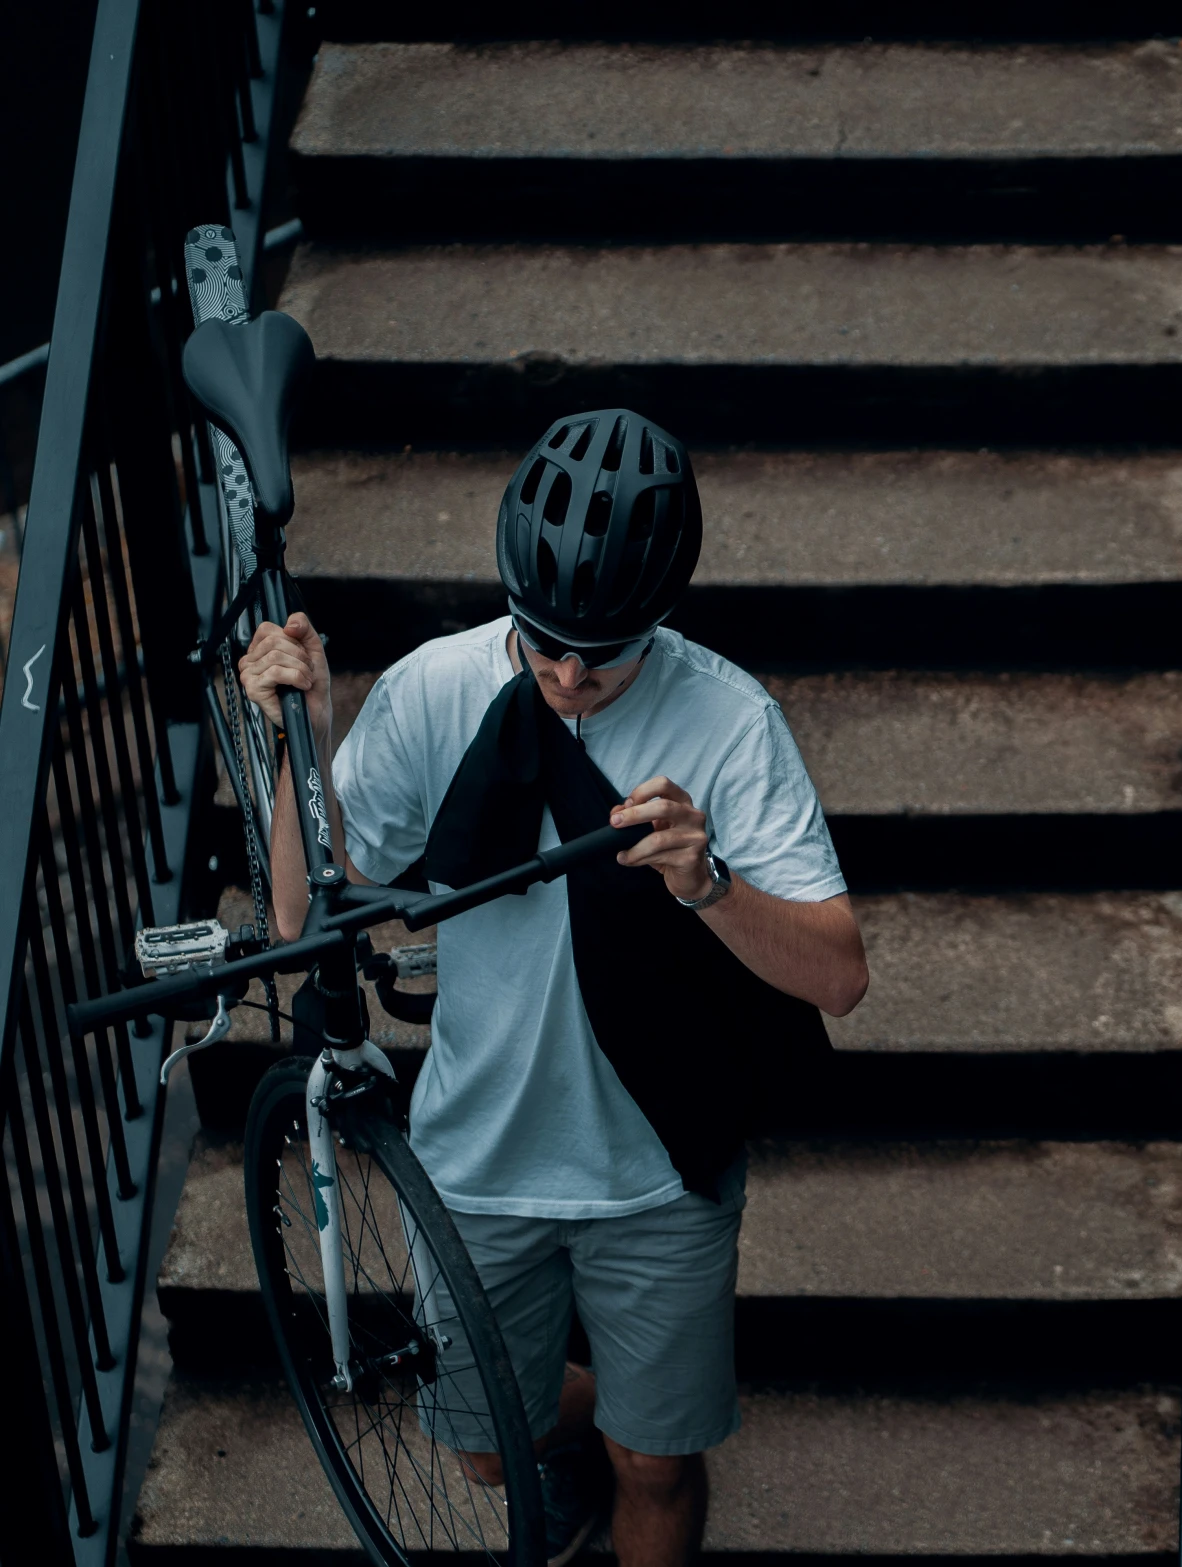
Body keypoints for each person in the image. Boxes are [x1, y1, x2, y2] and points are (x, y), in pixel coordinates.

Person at [238, 408, 867, 1567]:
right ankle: (611, 1424)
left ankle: (642, 1437)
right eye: (545, 645)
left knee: (660, 1465)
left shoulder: (730, 720)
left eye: (606, 651)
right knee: (488, 1453)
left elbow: (839, 974)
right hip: (478, 1161)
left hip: (659, 1172)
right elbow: (297, 917)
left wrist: (711, 881)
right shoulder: (436, 691)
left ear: (661, 617)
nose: (573, 674)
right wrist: (298, 741)